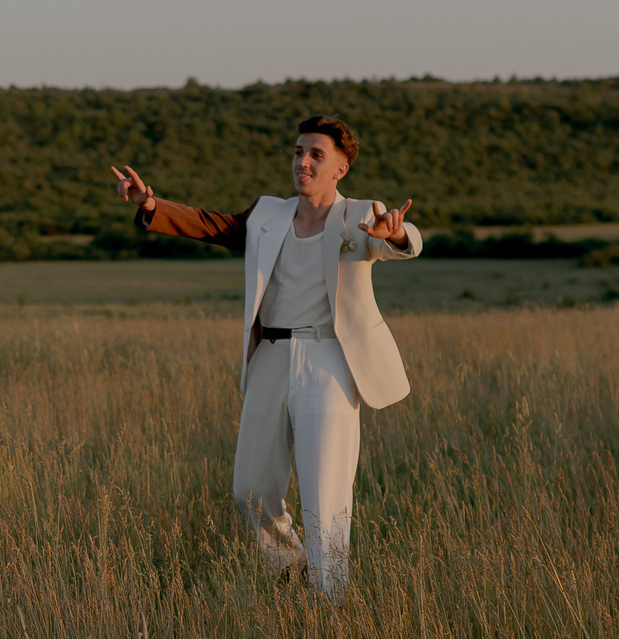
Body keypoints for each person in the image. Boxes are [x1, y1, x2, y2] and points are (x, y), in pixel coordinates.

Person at [111, 115, 419, 596]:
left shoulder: (363, 213)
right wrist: (151, 204)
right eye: (299, 152)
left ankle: (330, 604)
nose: (303, 161)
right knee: (250, 488)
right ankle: (294, 566)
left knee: (326, 496)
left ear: (340, 168)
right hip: (270, 356)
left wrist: (395, 235)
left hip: (330, 361)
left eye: (317, 155)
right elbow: (211, 226)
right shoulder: (267, 215)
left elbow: (405, 242)